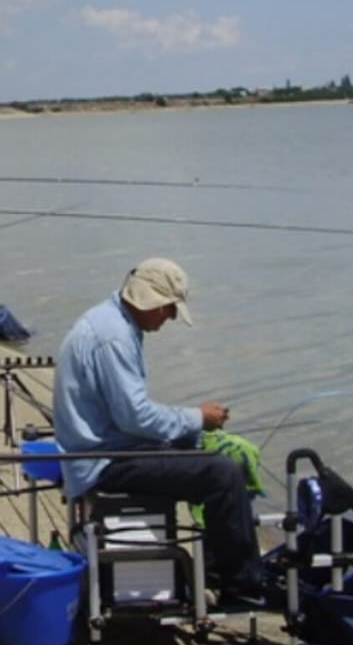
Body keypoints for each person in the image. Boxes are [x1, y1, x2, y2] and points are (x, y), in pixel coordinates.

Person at [52, 257, 268, 605]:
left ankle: (216, 573)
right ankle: (243, 587)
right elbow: (135, 418)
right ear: (148, 301)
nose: (168, 318)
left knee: (209, 458)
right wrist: (198, 418)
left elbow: (130, 415)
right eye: (167, 309)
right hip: (103, 461)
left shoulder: (111, 320)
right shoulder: (114, 337)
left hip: (104, 450)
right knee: (222, 473)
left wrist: (190, 430)